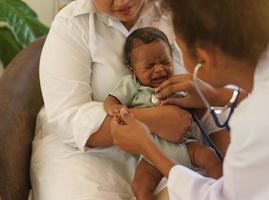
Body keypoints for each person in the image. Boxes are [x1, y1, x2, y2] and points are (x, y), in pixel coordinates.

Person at [110, 0, 269, 199]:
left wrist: (147, 147)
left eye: (177, 51)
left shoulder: (256, 127)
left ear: (205, 57)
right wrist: (219, 96)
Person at [30, 0, 205, 199]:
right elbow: (67, 116)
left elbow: (210, 83)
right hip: (89, 150)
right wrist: (153, 119)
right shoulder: (72, 24)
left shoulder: (174, 12)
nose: (123, 1)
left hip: (173, 142)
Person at [104, 27, 223, 199]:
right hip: (150, 152)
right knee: (139, 186)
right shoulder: (132, 85)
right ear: (133, 70)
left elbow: (197, 109)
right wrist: (114, 109)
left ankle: (221, 193)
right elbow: (111, 100)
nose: (159, 69)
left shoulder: (177, 83)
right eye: (150, 66)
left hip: (185, 147)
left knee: (211, 156)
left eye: (165, 62)